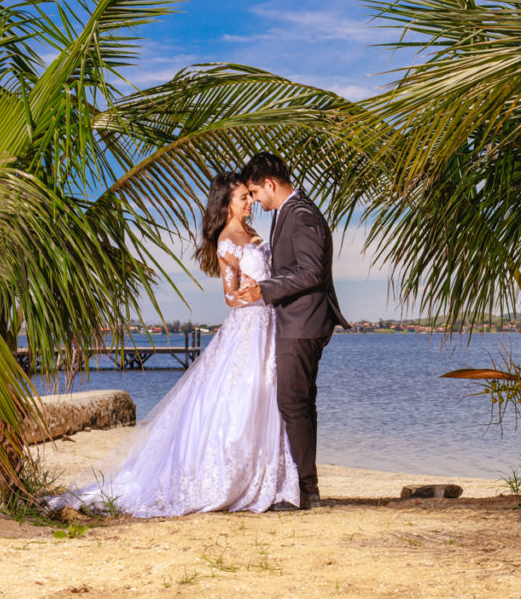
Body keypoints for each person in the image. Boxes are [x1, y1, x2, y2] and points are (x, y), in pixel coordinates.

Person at [45, 172, 298, 517]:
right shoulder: (227, 240)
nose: (250, 202)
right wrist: (251, 291)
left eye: (249, 197)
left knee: (267, 393)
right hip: (248, 326)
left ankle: (265, 476)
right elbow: (229, 297)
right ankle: (229, 476)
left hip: (268, 324)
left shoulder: (254, 234)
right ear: (227, 205)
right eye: (243, 198)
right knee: (247, 392)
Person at [238, 152, 349, 510]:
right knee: (299, 403)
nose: (254, 200)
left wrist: (264, 289)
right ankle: (304, 487)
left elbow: (311, 272)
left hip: (303, 322)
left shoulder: (300, 214)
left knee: (293, 402)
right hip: (300, 320)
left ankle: (306, 490)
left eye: (255, 192)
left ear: (269, 184)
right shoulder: (291, 212)